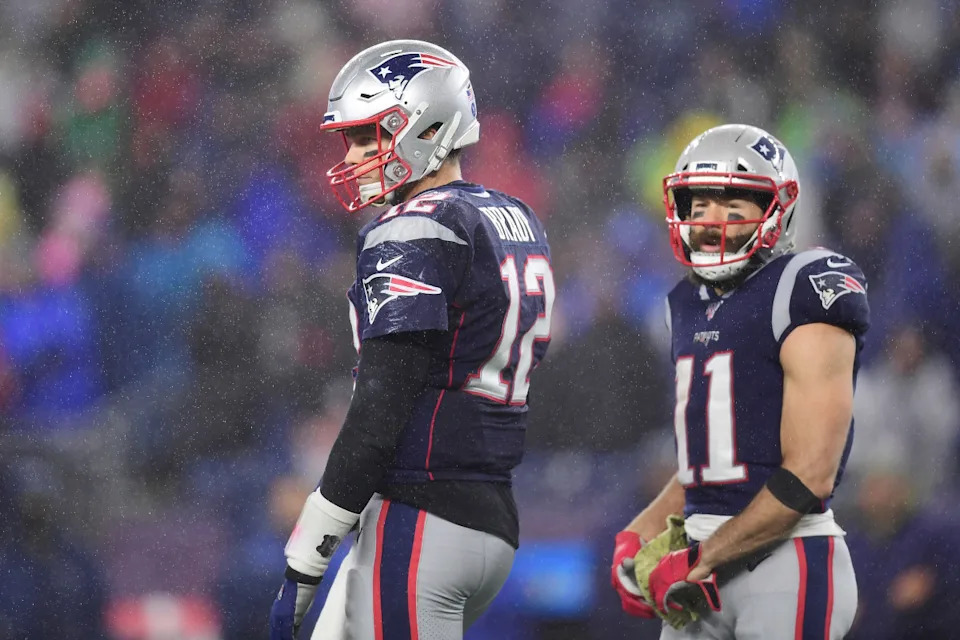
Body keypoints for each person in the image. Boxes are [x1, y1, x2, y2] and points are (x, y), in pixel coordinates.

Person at [268, 39, 555, 640]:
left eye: (369, 134)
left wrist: (308, 551)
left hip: (422, 514)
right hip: (491, 514)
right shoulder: (513, 217)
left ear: (425, 125)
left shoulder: (413, 227)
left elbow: (380, 410)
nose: (354, 153)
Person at [610, 124, 870, 639]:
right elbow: (713, 464)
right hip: (699, 572)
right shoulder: (683, 303)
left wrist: (703, 558)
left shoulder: (804, 284)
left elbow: (811, 477)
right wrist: (638, 532)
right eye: (699, 205)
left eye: (735, 206)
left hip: (784, 565)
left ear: (778, 210)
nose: (712, 223)